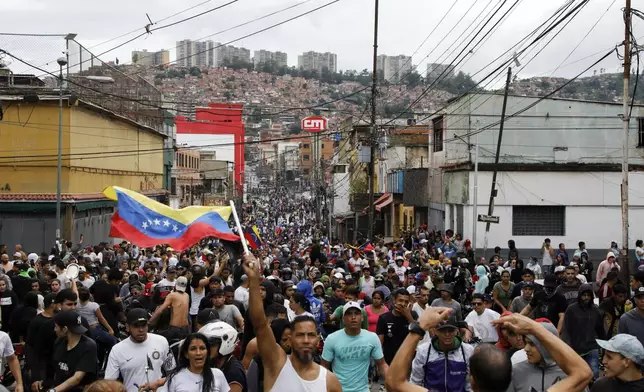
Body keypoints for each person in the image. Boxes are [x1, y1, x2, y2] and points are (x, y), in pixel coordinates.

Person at [242, 254, 341, 392]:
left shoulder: (330, 382)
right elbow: (260, 324)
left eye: (311, 335)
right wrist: (253, 280)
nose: (306, 340)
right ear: (290, 339)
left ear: (318, 340)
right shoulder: (276, 363)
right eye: (300, 335)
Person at [496, 314, 593, 392]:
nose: (526, 348)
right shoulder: (517, 371)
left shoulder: (570, 373)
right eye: (526, 342)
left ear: (547, 345)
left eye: (532, 344)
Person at [322, 301, 388, 392]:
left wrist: (393, 381)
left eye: (356, 314)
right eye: (349, 314)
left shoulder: (372, 338)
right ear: (343, 319)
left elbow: (382, 364)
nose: (353, 317)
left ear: (361, 318)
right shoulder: (332, 339)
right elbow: (324, 367)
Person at [104, 308, 175, 392]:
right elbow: (109, 383)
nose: (141, 330)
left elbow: (173, 373)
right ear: (127, 327)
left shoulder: (161, 341)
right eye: (136, 326)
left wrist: (158, 383)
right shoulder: (117, 350)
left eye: (143, 325)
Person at [33, 310, 97, 392]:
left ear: (65, 329)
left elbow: (77, 378)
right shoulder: (59, 342)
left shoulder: (88, 346)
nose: (55, 329)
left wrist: (53, 390)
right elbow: (55, 368)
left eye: (56, 326)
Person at [409, 315, 474, 390]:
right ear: (435, 331)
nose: (447, 334)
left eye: (450, 330)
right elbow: (415, 382)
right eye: (442, 330)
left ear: (456, 331)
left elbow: (470, 384)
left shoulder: (468, 350)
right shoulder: (423, 351)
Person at [562, 283, 605, 380]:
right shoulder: (571, 309)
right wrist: (568, 345)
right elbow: (566, 328)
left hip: (592, 347)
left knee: (594, 373)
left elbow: (600, 328)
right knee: (578, 375)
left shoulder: (595, 310)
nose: (586, 298)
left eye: (588, 295)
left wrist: (604, 345)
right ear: (579, 295)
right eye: (584, 295)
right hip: (576, 348)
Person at [165, 332, 230, 392]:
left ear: (207, 352)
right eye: (193, 349)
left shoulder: (218, 374)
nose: (198, 353)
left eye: (202, 348)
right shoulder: (175, 378)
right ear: (186, 354)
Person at [377, 288, 418, 365]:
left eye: (406, 301)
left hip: (408, 361)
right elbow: (379, 344)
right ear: (394, 301)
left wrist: (408, 316)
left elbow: (419, 336)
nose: (403, 304)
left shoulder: (413, 315)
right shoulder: (384, 318)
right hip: (389, 361)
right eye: (400, 300)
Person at [149, 276, 191, 342]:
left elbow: (160, 310)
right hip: (186, 329)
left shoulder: (172, 295)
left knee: (155, 337)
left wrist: (149, 321)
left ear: (175, 285)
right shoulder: (187, 296)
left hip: (175, 329)